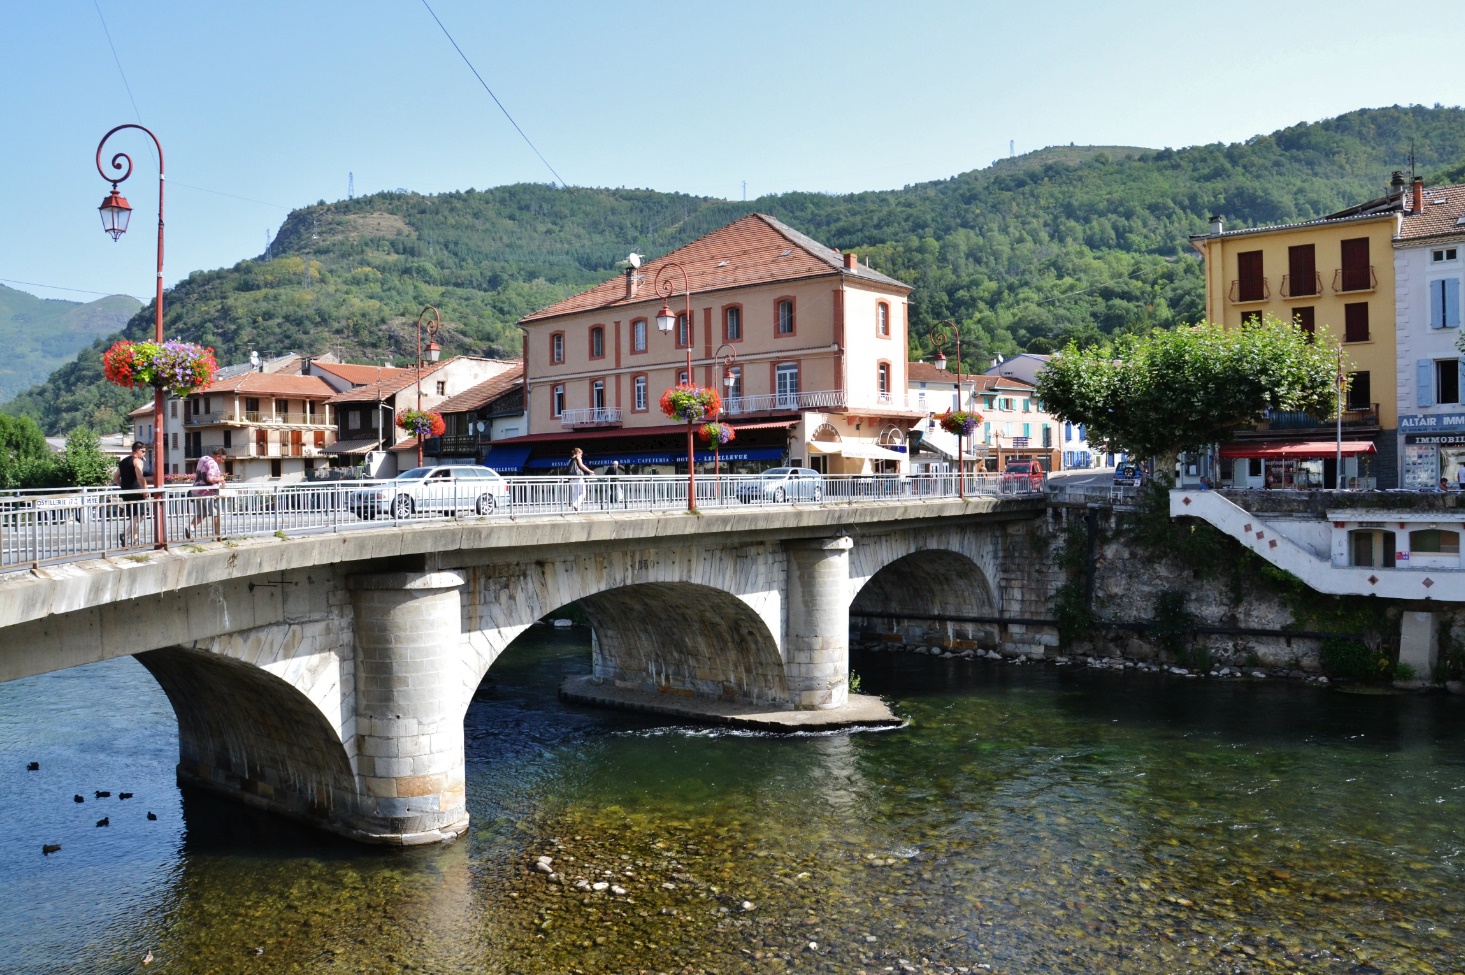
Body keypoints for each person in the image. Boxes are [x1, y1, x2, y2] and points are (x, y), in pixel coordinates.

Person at [111, 441, 149, 546]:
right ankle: (126, 534)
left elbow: (115, 478)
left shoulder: (123, 461)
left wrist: (124, 486)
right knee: (140, 515)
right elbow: (140, 476)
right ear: (138, 450)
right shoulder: (137, 461)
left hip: (126, 492)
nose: (144, 454)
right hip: (137, 492)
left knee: (134, 516)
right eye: (143, 451)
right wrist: (145, 490)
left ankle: (135, 539)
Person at [187, 447, 227, 539]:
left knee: (202, 513)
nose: (223, 461)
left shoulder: (203, 459)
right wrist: (220, 479)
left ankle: (191, 528)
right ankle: (218, 534)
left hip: (197, 490)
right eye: (222, 459)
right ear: (218, 456)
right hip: (207, 492)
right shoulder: (213, 463)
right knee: (216, 513)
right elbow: (210, 479)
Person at [568, 447, 593, 512]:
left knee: (575, 493)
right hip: (578, 477)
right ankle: (576, 505)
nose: (581, 455)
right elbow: (581, 465)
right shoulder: (578, 457)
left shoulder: (571, 459)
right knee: (583, 493)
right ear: (578, 453)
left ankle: (575, 509)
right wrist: (590, 471)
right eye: (581, 454)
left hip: (571, 479)